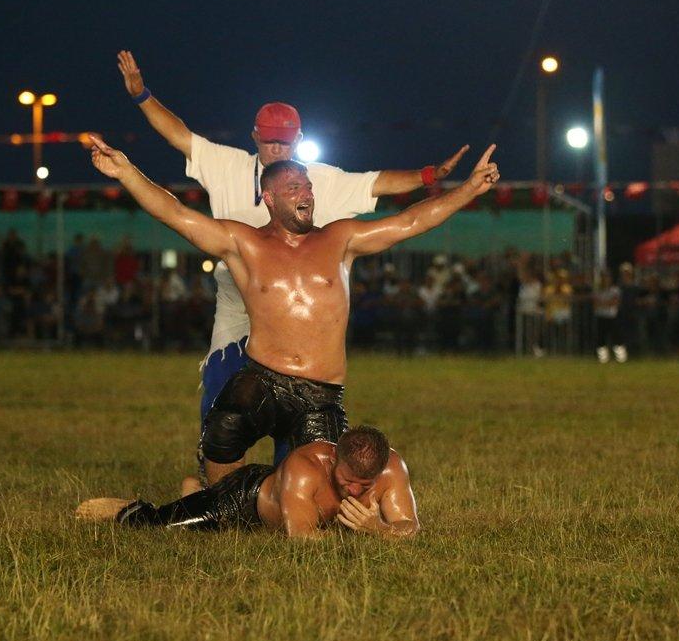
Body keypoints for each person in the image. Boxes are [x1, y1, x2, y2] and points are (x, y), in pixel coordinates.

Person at [116, 49, 469, 470]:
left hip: (301, 312)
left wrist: (429, 176)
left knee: (301, 408)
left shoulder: (318, 180)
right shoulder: (225, 164)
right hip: (238, 298)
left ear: (300, 140)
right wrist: (141, 96)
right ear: (254, 137)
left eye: (286, 139)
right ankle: (216, 477)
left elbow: (378, 186)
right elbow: (177, 138)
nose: (277, 147)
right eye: (269, 139)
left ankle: (292, 473)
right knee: (220, 393)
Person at [89, 135, 499, 486]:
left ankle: (262, 494)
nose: (306, 193)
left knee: (316, 490)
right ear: (268, 198)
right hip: (262, 378)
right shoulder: (243, 244)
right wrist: (127, 172)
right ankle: (216, 496)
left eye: (307, 186)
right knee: (222, 433)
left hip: (320, 390)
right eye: (294, 188)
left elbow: (411, 222)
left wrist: (468, 189)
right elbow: (175, 213)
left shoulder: (340, 239)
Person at [75, 425, 418, 540]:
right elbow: (301, 537)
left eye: (364, 485)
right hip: (243, 499)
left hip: (270, 505)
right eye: (348, 481)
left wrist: (381, 530)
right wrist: (372, 532)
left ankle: (194, 491)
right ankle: (128, 509)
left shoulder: (392, 469)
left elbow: (410, 526)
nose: (355, 491)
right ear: (334, 460)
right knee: (162, 526)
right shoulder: (306, 466)